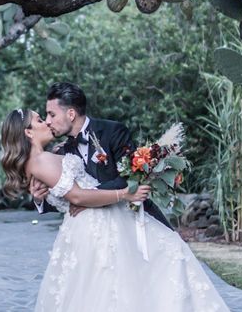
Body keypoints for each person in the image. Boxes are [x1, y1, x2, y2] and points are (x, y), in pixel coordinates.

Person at [0, 108, 242, 312]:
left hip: (101, 224)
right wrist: (125, 194)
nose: (47, 122)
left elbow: (69, 191)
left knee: (134, 281)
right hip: (96, 229)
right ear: (28, 132)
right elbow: (78, 197)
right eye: (39, 120)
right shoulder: (41, 161)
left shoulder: (50, 155)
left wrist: (44, 196)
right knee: (118, 290)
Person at [29, 82, 172, 229]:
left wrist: (87, 198)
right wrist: (40, 200)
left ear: (71, 114)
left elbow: (131, 178)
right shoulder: (61, 152)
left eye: (52, 114)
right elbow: (66, 199)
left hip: (137, 221)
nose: (47, 121)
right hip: (99, 232)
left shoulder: (114, 131)